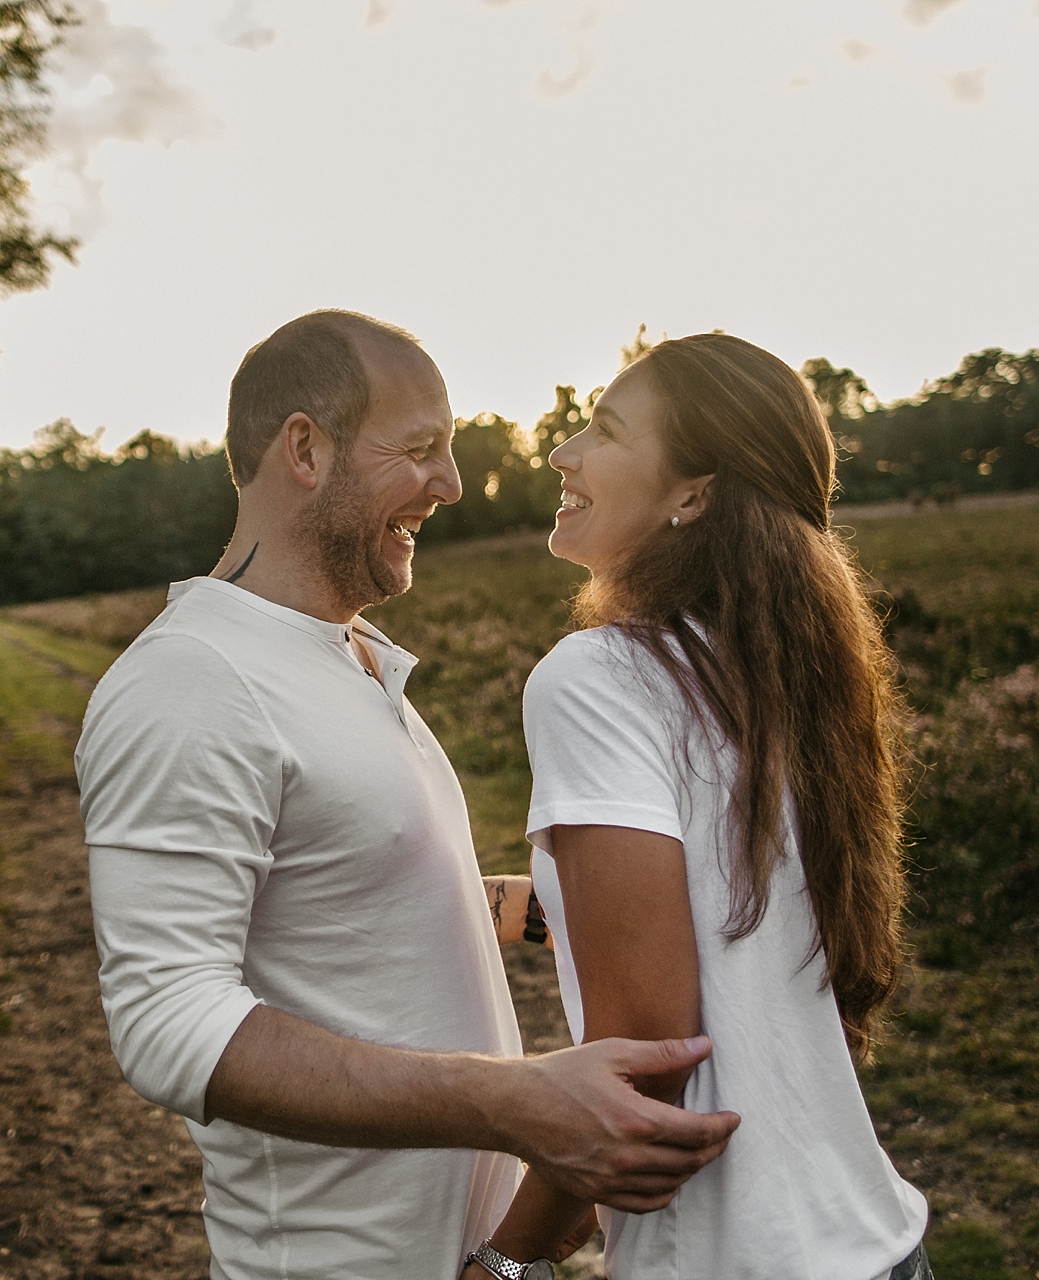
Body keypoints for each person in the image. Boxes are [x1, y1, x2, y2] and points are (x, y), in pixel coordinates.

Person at [74, 311, 739, 1280]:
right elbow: (169, 1022)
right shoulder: (193, 680)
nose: (454, 484)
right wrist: (513, 1099)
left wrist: (571, 902)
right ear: (305, 447)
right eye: (422, 448)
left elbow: (352, 900)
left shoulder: (346, 659)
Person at [460, 334, 931, 1280]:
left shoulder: (598, 677)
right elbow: (721, 916)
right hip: (877, 1245)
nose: (563, 453)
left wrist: (511, 1262)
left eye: (604, 429)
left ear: (692, 493)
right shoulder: (772, 674)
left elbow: (649, 1047)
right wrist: (490, 904)